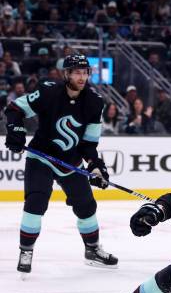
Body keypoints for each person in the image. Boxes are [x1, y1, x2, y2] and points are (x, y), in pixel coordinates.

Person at [3, 54, 117, 275]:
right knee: (36, 200)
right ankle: (26, 250)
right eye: (76, 72)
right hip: (41, 157)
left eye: (85, 72)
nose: (82, 77)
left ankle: (92, 249)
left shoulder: (95, 102)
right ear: (66, 74)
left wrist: (95, 166)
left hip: (70, 162)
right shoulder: (48, 92)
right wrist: (15, 130)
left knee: (86, 205)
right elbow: (14, 109)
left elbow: (88, 144)